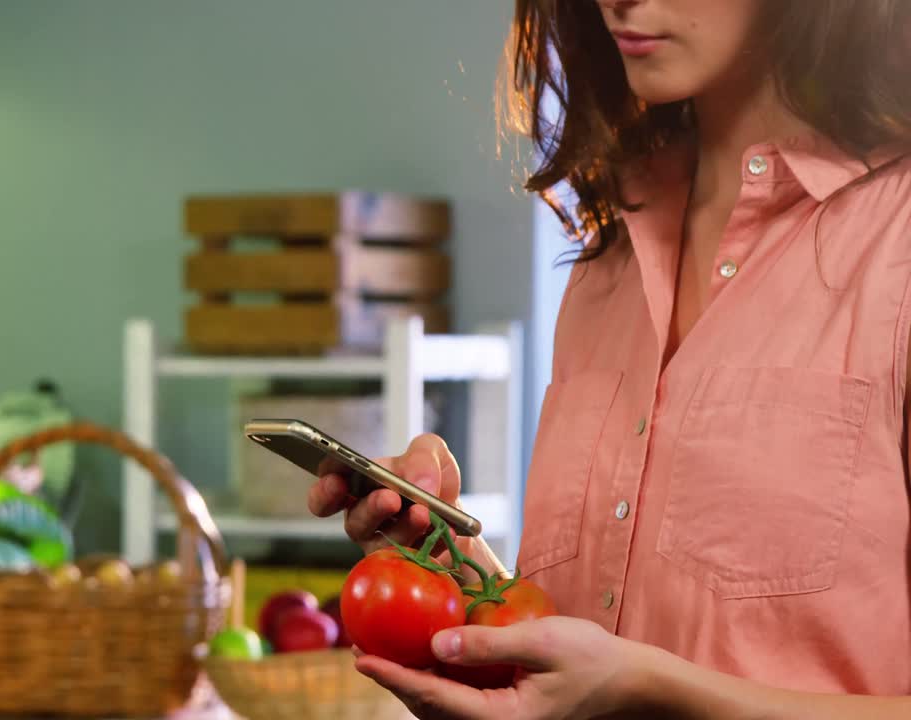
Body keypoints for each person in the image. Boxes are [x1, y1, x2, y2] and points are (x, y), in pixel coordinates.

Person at [309, 0, 911, 717]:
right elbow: (584, 657)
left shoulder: (895, 243)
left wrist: (651, 689)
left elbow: (619, 677)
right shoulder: (607, 256)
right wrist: (463, 593)